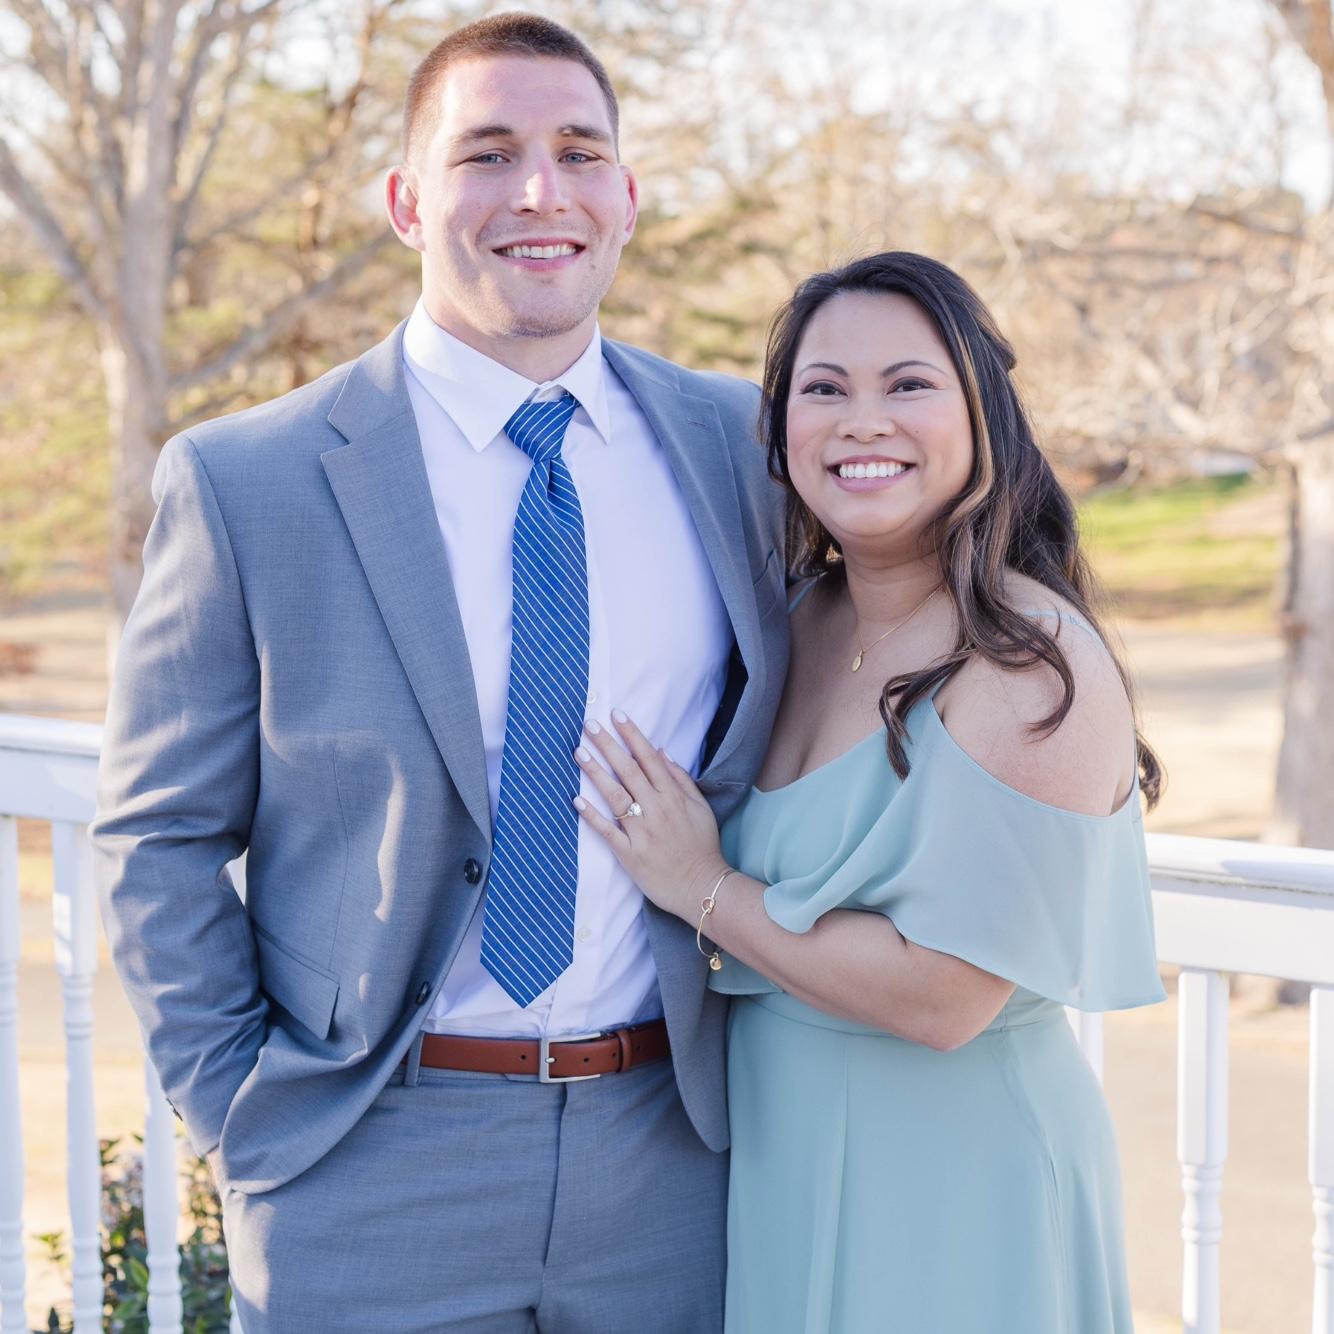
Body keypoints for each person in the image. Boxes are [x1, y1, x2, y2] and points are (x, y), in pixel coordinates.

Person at [92, 13, 787, 1332]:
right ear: (407, 202)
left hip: (674, 1153)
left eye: (579, 152)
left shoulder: (738, 447)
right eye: (487, 153)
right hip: (370, 1159)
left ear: (626, 197)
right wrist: (242, 1113)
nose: (540, 191)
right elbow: (159, 831)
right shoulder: (249, 479)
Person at [576, 251, 1166, 1333]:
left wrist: (701, 885)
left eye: (907, 384)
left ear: (980, 415)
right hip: (784, 1165)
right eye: (823, 388)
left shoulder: (1030, 661)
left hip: (955, 1183)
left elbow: (943, 996)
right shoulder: (791, 623)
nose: (862, 421)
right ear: (780, 430)